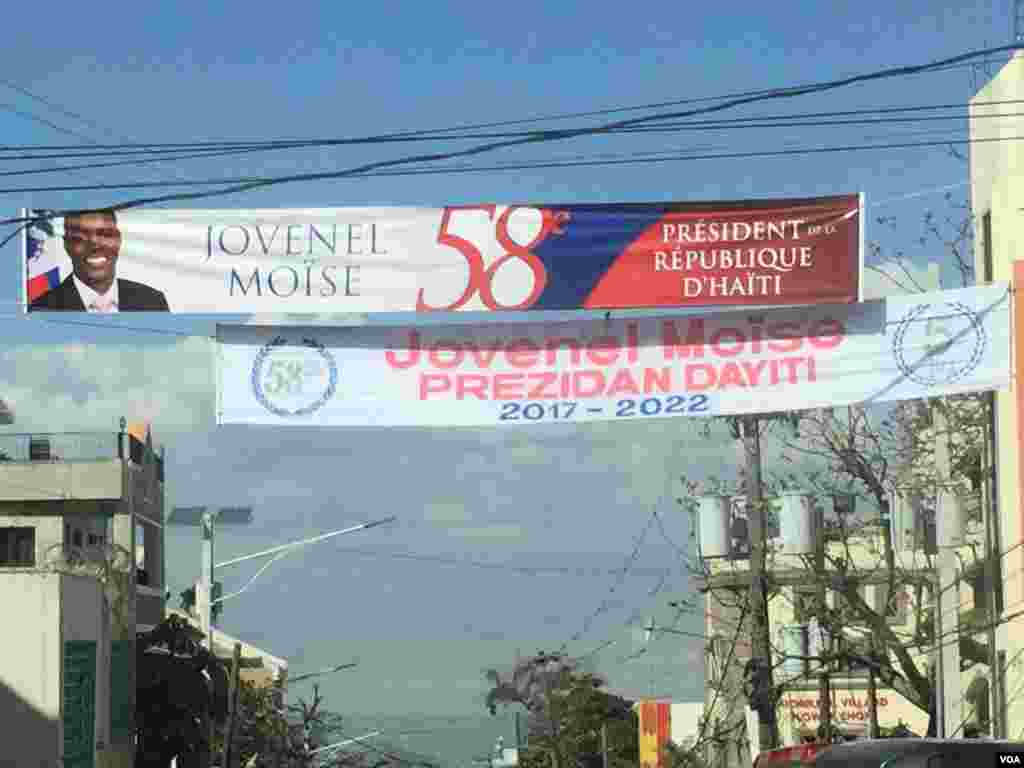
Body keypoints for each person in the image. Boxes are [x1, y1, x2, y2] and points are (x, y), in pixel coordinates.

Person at [29, 208, 169, 312]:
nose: (94, 245)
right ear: (66, 245)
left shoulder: (153, 302)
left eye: (105, 234)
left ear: (118, 240)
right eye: (80, 238)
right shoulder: (41, 309)